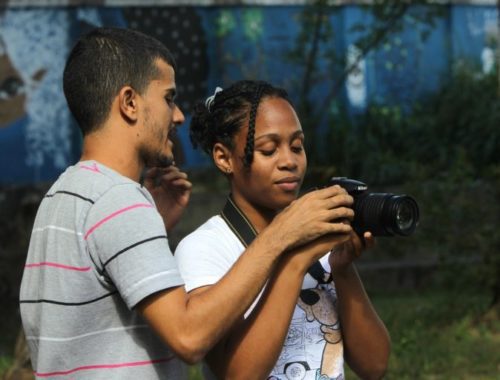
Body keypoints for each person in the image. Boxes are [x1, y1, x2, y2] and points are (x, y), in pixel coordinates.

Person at [19, 28, 356, 379]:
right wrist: (281, 236)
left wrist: (154, 225)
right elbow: (190, 337)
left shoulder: (63, 194)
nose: (178, 116)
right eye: (168, 98)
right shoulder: (119, 201)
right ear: (130, 102)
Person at [175, 80, 391, 380]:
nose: (289, 161)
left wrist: (342, 270)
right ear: (224, 158)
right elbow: (238, 375)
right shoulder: (205, 248)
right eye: (268, 149)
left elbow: (375, 365)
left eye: (297, 146)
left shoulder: (318, 235)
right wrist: (294, 262)